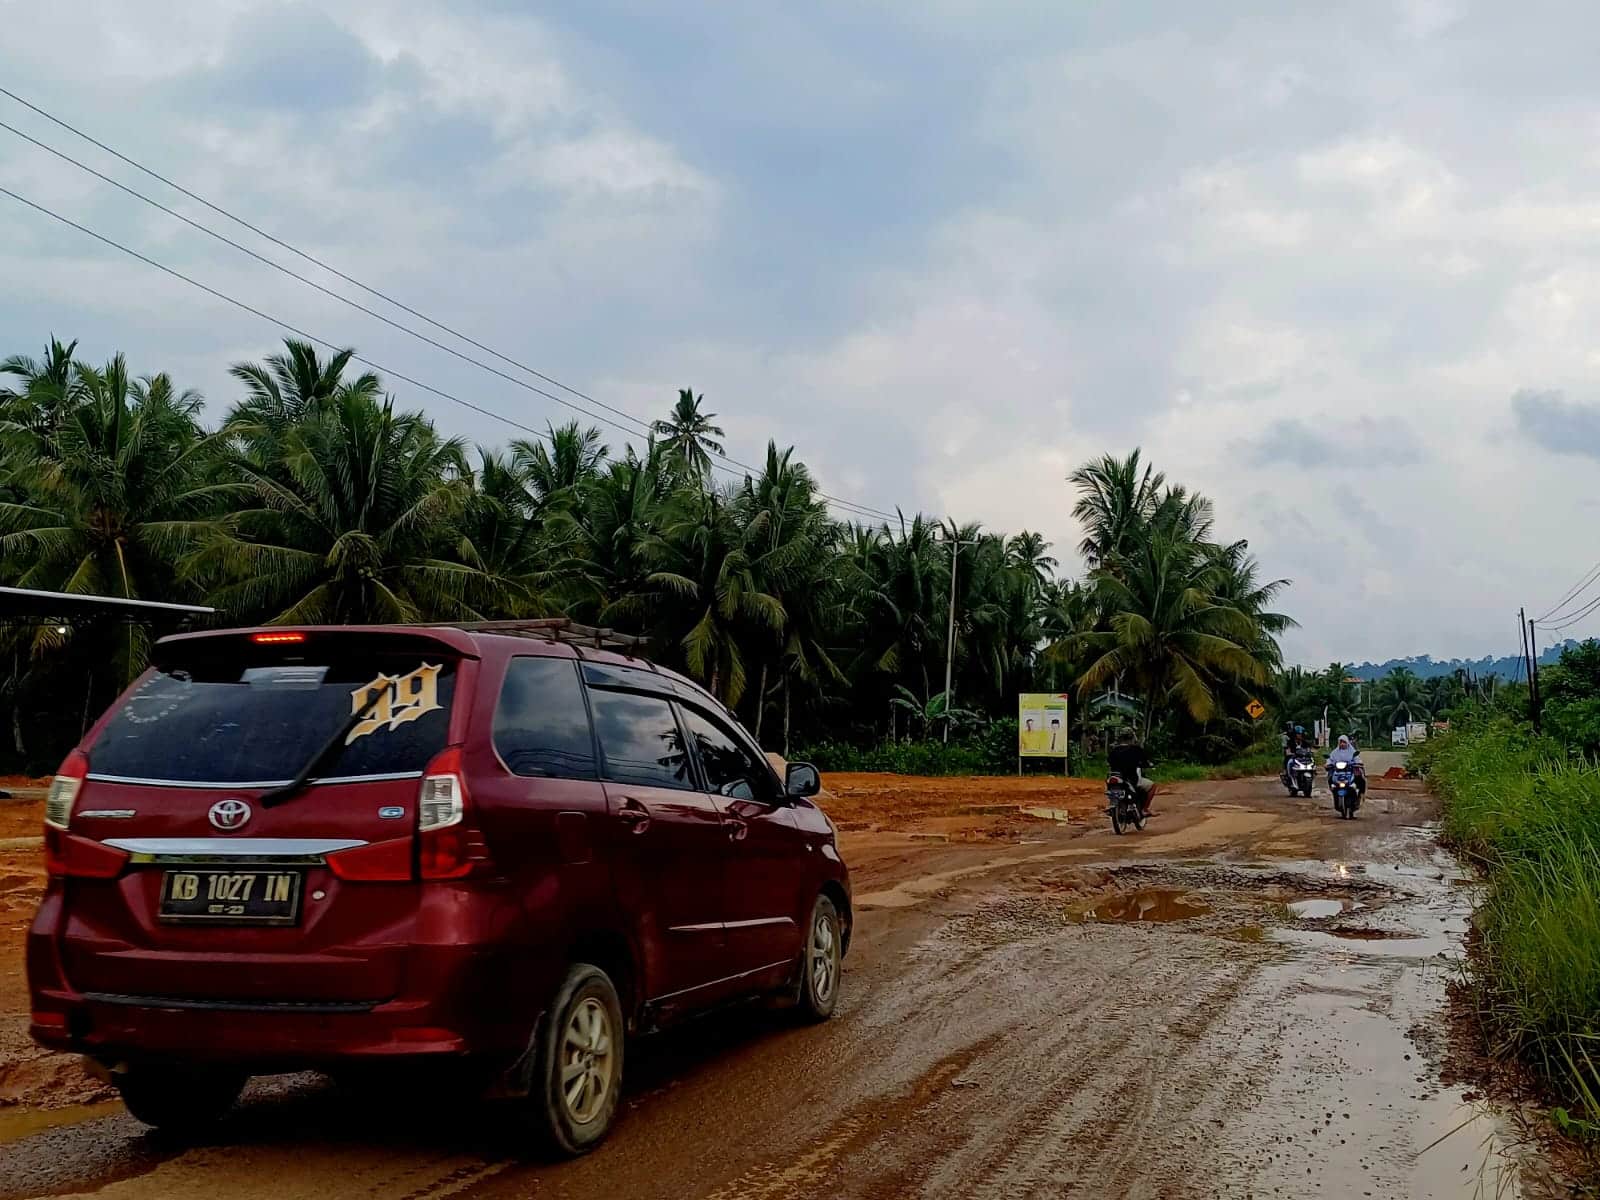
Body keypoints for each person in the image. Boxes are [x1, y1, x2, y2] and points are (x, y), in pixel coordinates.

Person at [1108, 732, 1154, 815]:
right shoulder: (1136, 749)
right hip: (1130, 777)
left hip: (1114, 776)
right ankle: (1144, 809)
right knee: (1152, 786)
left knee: (1111, 786)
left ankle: (1113, 804)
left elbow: (1109, 762)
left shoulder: (1114, 750)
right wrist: (1149, 765)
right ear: (1132, 738)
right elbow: (1145, 762)